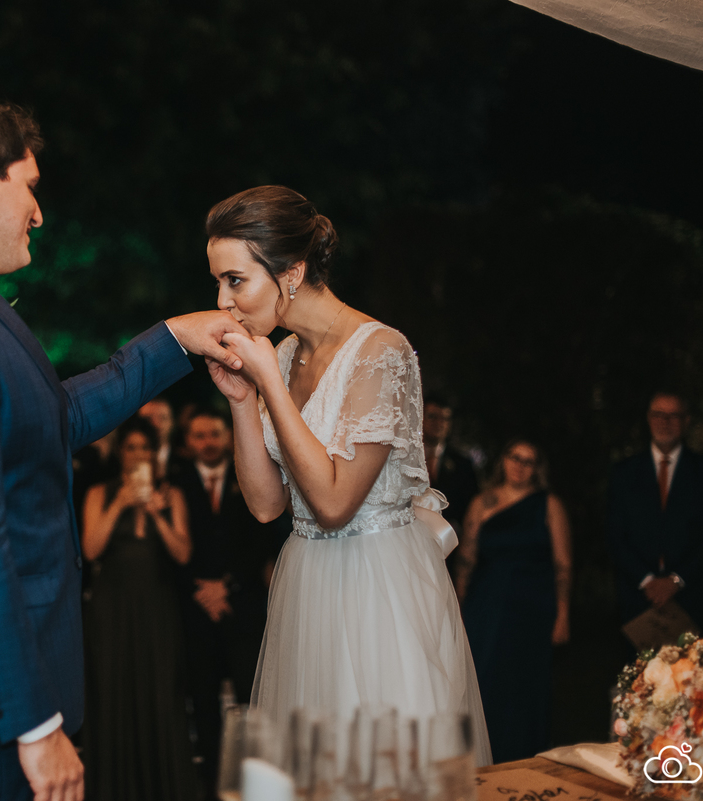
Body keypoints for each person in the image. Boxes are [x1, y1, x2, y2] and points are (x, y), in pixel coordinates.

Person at [0, 87, 245, 801]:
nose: (38, 212)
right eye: (29, 186)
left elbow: (54, 417)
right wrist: (34, 724)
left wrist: (175, 340)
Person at [203, 185, 492, 765]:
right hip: (307, 580)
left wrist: (268, 383)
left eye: (235, 280)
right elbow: (266, 505)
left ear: (291, 273)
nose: (223, 301)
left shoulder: (380, 351)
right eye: (218, 282)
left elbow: (335, 504)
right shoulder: (283, 355)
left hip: (377, 584)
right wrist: (242, 400)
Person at [170, 409, 286, 792]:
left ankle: (254, 783)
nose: (208, 442)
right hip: (195, 612)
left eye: (214, 434)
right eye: (199, 436)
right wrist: (202, 591)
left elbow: (264, 537)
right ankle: (211, 786)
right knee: (203, 702)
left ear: (227, 436)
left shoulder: (248, 473)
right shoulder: (175, 483)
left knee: (250, 698)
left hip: (243, 608)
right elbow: (169, 548)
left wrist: (228, 585)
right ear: (188, 442)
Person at [80, 417, 195, 800]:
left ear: (154, 453)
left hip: (156, 607)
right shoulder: (100, 492)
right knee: (112, 694)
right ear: (120, 453)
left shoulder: (171, 494)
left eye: (145, 448)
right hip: (111, 610)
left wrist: (157, 514)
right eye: (131, 447)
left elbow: (183, 554)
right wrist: (120, 504)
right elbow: (90, 550)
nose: (138, 455)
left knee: (161, 693)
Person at [454, 440, 571, 763]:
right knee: (484, 680)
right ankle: (480, 760)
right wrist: (459, 609)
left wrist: (562, 614)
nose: (519, 465)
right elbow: (466, 560)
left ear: (537, 469)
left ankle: (524, 759)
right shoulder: (482, 503)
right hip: (486, 607)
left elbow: (563, 564)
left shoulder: (549, 505)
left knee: (525, 687)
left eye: (528, 461)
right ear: (503, 460)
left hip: (531, 609)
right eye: (514, 457)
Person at [607, 391, 703, 638]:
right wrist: (647, 581)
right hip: (638, 599)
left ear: (686, 421)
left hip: (692, 597)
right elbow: (614, 535)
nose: (665, 422)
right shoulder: (624, 473)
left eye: (673, 416)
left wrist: (676, 581)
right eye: (658, 415)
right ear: (648, 419)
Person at [422, 395, 479, 558]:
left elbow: (470, 507)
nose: (439, 423)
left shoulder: (463, 464)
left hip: (448, 548)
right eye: (432, 417)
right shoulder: (406, 457)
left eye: (445, 419)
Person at [139, 398, 180, 479]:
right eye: (148, 419)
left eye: (163, 418)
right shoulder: (122, 460)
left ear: (172, 423)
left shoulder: (185, 461)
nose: (156, 424)